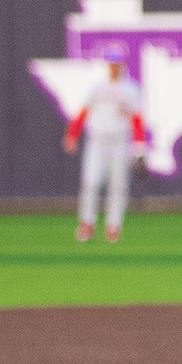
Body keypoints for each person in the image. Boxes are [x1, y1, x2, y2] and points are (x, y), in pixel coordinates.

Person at [63, 56, 149, 243]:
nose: (113, 66)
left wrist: (139, 147)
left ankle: (113, 225)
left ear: (122, 65)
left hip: (120, 140)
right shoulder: (97, 87)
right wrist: (72, 134)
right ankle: (87, 222)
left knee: (118, 185)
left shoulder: (131, 89)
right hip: (97, 140)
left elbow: (137, 119)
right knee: (91, 181)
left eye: (116, 63)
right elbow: (83, 112)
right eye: (111, 63)